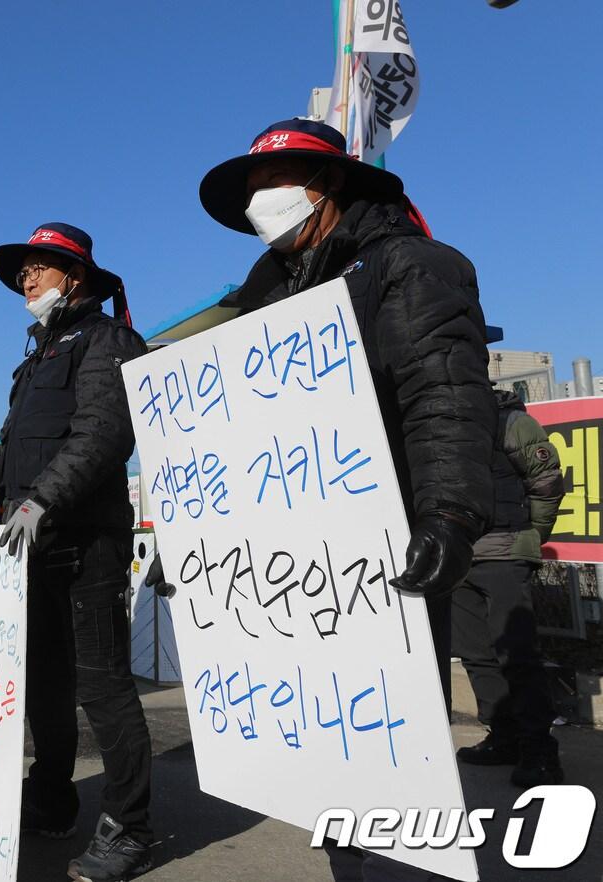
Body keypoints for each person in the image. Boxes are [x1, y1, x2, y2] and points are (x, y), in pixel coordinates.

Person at [198, 117, 498, 882]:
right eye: (252, 190)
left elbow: (443, 394)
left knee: (392, 754)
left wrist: (450, 514)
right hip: (296, 565)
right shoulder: (265, 297)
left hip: (387, 550)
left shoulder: (407, 267)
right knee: (333, 761)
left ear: (324, 183)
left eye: (271, 182)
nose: (259, 202)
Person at [0, 222, 156, 882]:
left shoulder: (107, 341)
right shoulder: (36, 358)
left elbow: (103, 434)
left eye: (40, 267)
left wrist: (42, 500)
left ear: (77, 275)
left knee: (103, 687)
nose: (26, 280)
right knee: (44, 688)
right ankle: (54, 797)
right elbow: (8, 450)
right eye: (22, 271)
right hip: (29, 553)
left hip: (85, 544)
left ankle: (131, 827)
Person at [453, 390, 565, 787]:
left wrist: (529, 538)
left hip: (504, 552)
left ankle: (539, 749)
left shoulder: (509, 420)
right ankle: (503, 736)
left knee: (517, 655)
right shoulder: (437, 421)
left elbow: (547, 481)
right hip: (458, 557)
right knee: (476, 655)